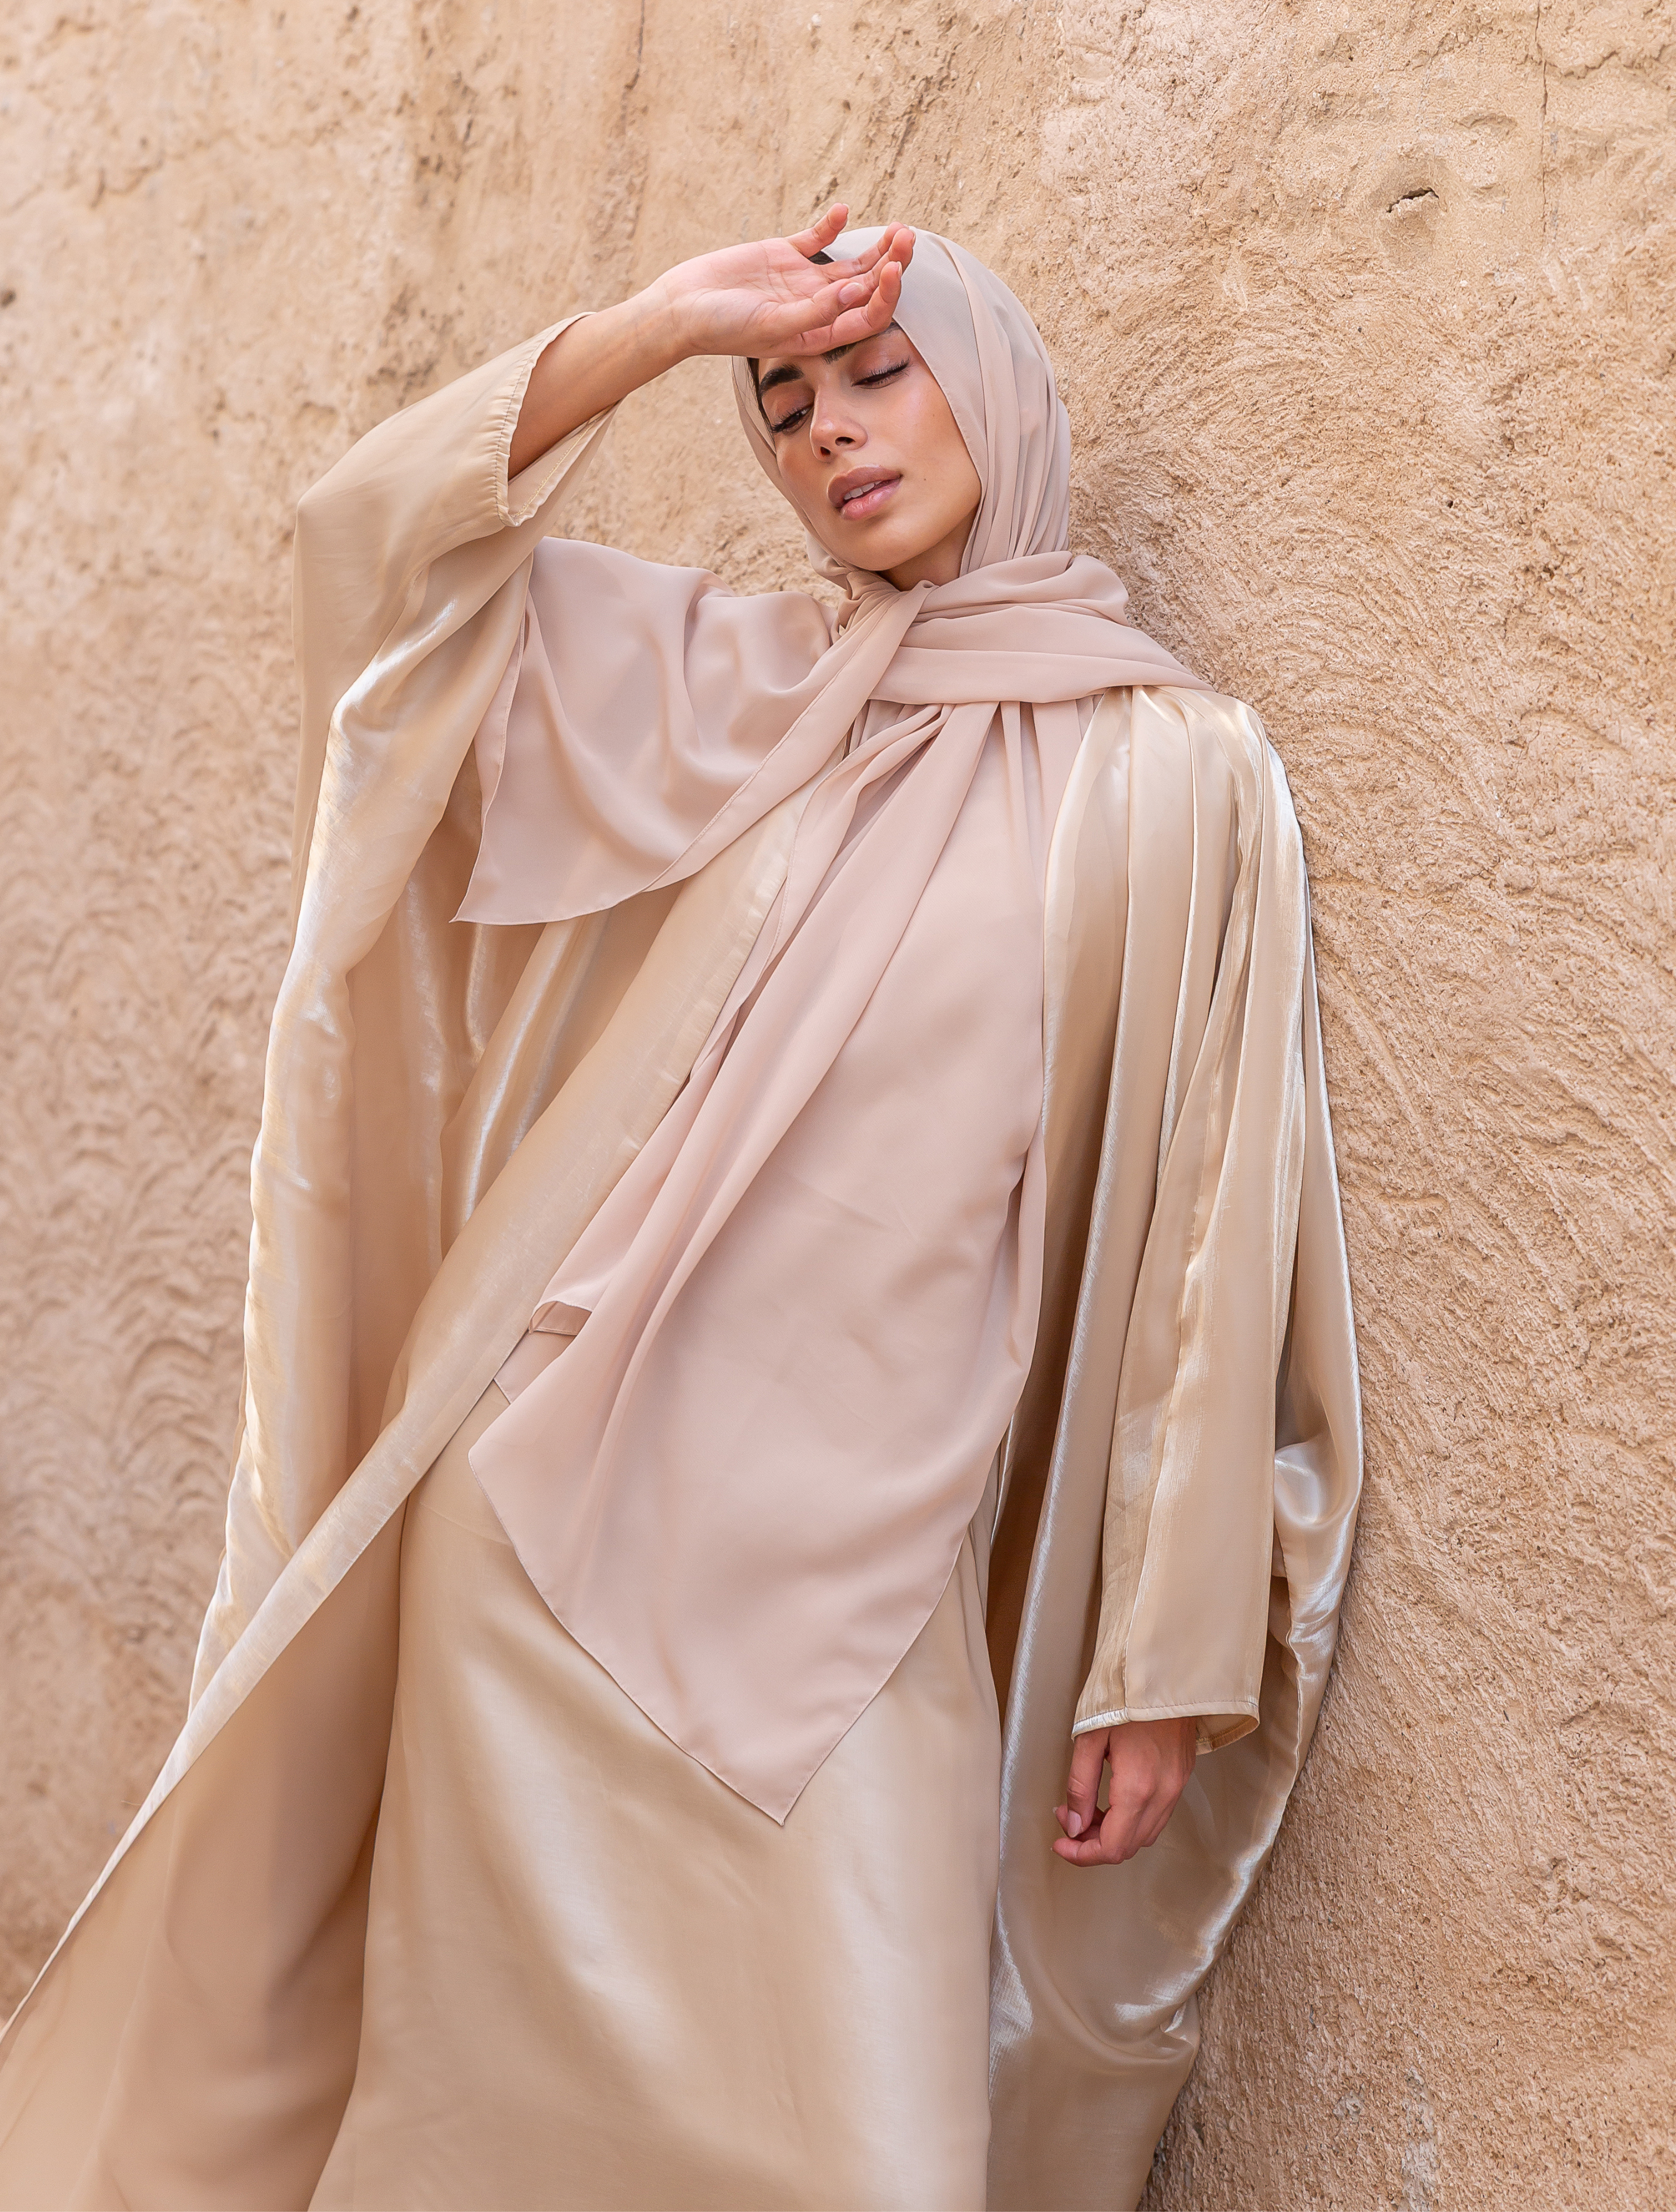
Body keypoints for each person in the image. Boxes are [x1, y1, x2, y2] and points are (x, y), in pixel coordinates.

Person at [0, 207, 1361, 2212]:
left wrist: (1162, 1662)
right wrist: (651, 331)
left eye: (882, 373)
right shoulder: (746, 697)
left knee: (865, 2153)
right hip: (541, 1539)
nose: (832, 438)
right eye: (784, 404)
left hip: (863, 1600)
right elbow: (379, 570)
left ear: (995, 388)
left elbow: (1202, 1228)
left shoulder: (1175, 774)